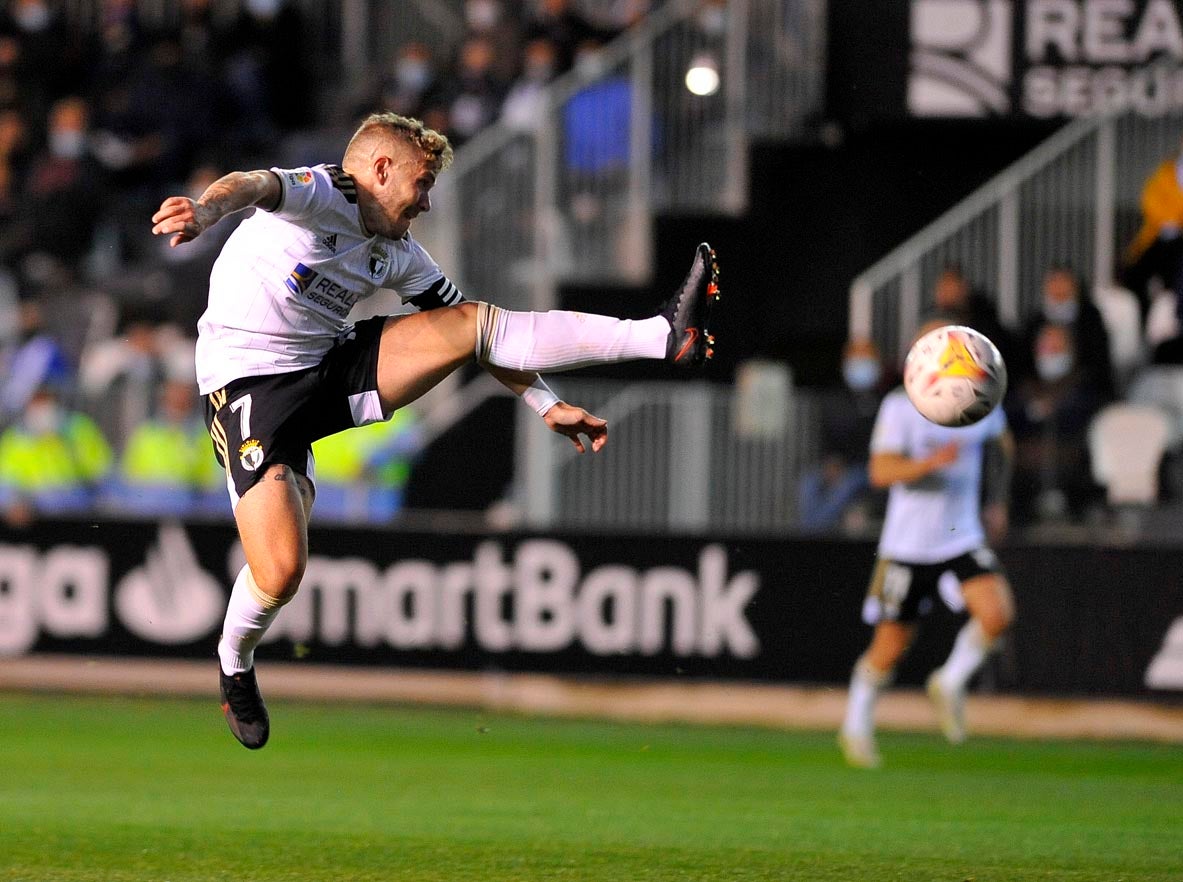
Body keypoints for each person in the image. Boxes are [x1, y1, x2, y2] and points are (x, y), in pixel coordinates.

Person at [150, 111, 720, 750]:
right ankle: (234, 662)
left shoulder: (397, 253)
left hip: (331, 367)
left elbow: (479, 338)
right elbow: (253, 184)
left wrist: (544, 404)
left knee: (469, 319)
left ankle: (662, 336)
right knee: (280, 572)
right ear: (382, 170)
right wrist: (205, 210)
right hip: (250, 387)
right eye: (421, 184)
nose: (426, 201)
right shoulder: (320, 192)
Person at [838, 321, 1014, 769]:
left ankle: (951, 681)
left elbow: (1003, 446)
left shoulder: (981, 394)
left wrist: (996, 500)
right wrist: (930, 463)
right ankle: (856, 725)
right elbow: (880, 472)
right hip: (908, 544)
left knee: (997, 614)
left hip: (959, 535)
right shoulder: (901, 405)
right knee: (889, 646)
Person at [797, 336, 888, 534]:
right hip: (842, 465)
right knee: (809, 483)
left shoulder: (886, 401)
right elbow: (827, 440)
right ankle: (807, 535)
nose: (861, 365)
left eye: (867, 359)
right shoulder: (836, 400)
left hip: (870, 469)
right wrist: (831, 462)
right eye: (856, 359)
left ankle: (814, 535)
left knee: (847, 485)